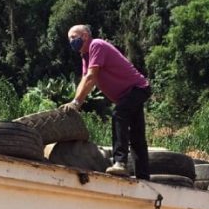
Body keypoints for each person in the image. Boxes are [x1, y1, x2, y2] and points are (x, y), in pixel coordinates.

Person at [60, 24, 151, 180]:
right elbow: (86, 80)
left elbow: (91, 77)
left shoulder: (96, 45)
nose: (71, 42)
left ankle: (120, 163)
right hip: (127, 95)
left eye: (74, 37)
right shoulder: (85, 56)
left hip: (137, 88)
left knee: (119, 115)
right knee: (136, 135)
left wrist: (76, 103)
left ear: (85, 36)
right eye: (69, 39)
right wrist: (76, 103)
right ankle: (143, 176)